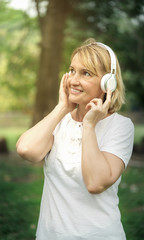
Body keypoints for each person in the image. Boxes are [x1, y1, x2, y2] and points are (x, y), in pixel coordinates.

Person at [16, 39, 134, 240]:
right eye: (72, 70)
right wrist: (62, 107)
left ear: (108, 83)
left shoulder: (121, 127)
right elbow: (26, 150)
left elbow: (95, 183)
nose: (73, 80)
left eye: (86, 73)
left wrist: (88, 126)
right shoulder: (59, 121)